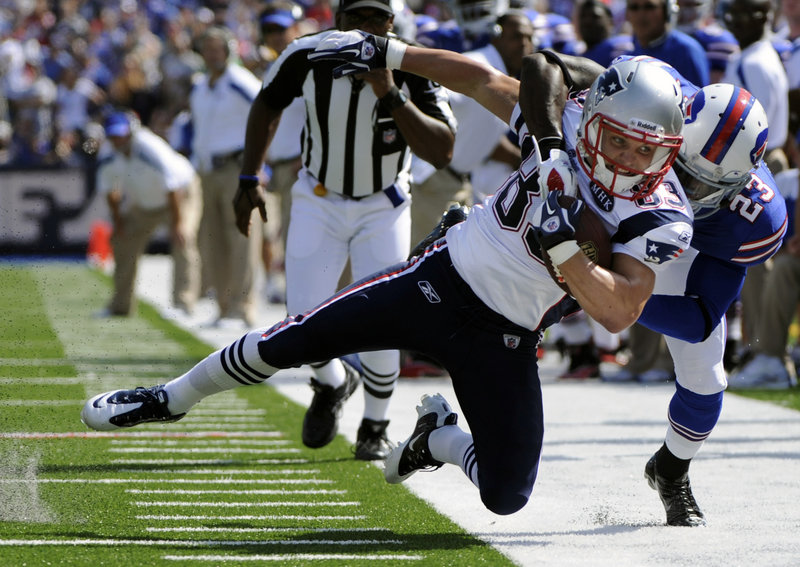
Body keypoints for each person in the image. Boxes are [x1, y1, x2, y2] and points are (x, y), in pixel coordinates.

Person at [81, 35, 692, 517]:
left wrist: (565, 252)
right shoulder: (563, 128)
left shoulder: (658, 208)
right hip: (442, 278)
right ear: (593, 122)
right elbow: (499, 76)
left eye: (648, 151)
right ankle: (169, 398)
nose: (631, 162)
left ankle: (439, 440)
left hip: (507, 334)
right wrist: (393, 55)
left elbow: (619, 311)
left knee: (507, 496)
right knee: (294, 339)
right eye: (620, 142)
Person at [521, 53, 786, 526]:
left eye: (698, 185)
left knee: (705, 382)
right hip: (622, 184)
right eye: (680, 168)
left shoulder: (753, 220)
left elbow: (700, 314)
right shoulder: (662, 93)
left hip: (689, 248)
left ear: (734, 187)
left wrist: (614, 300)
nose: (680, 187)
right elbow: (575, 75)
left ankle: (671, 470)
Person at [233, 0, 457, 461]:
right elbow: (267, 104)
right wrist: (248, 178)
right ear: (338, 21)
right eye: (358, 18)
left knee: (384, 319)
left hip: (384, 205)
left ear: (392, 25)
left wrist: (389, 90)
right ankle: (333, 382)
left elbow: (443, 149)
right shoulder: (306, 54)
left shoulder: (414, 62)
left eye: (378, 19)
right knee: (301, 319)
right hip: (319, 198)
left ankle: (375, 423)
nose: (368, 29)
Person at [190, 26, 263, 328]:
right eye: (207, 48)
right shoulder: (200, 86)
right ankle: (222, 307)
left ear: (230, 50)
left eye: (217, 48)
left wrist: (259, 163)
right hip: (208, 170)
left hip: (237, 167)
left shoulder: (240, 81)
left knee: (241, 237)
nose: (212, 54)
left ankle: (241, 308)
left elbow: (268, 113)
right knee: (213, 240)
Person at [95, 110, 202, 317]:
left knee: (183, 239)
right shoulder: (108, 155)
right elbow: (111, 192)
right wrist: (119, 224)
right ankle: (120, 306)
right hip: (144, 203)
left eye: (121, 134)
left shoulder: (149, 148)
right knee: (122, 241)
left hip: (181, 194)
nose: (118, 140)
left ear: (131, 132)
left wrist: (178, 224)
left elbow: (173, 186)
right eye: (113, 136)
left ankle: (183, 304)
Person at [623, 0, 710, 88]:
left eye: (649, 7)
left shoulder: (686, 51)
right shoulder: (628, 56)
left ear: (667, 11)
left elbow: (697, 97)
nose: (641, 14)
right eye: (634, 7)